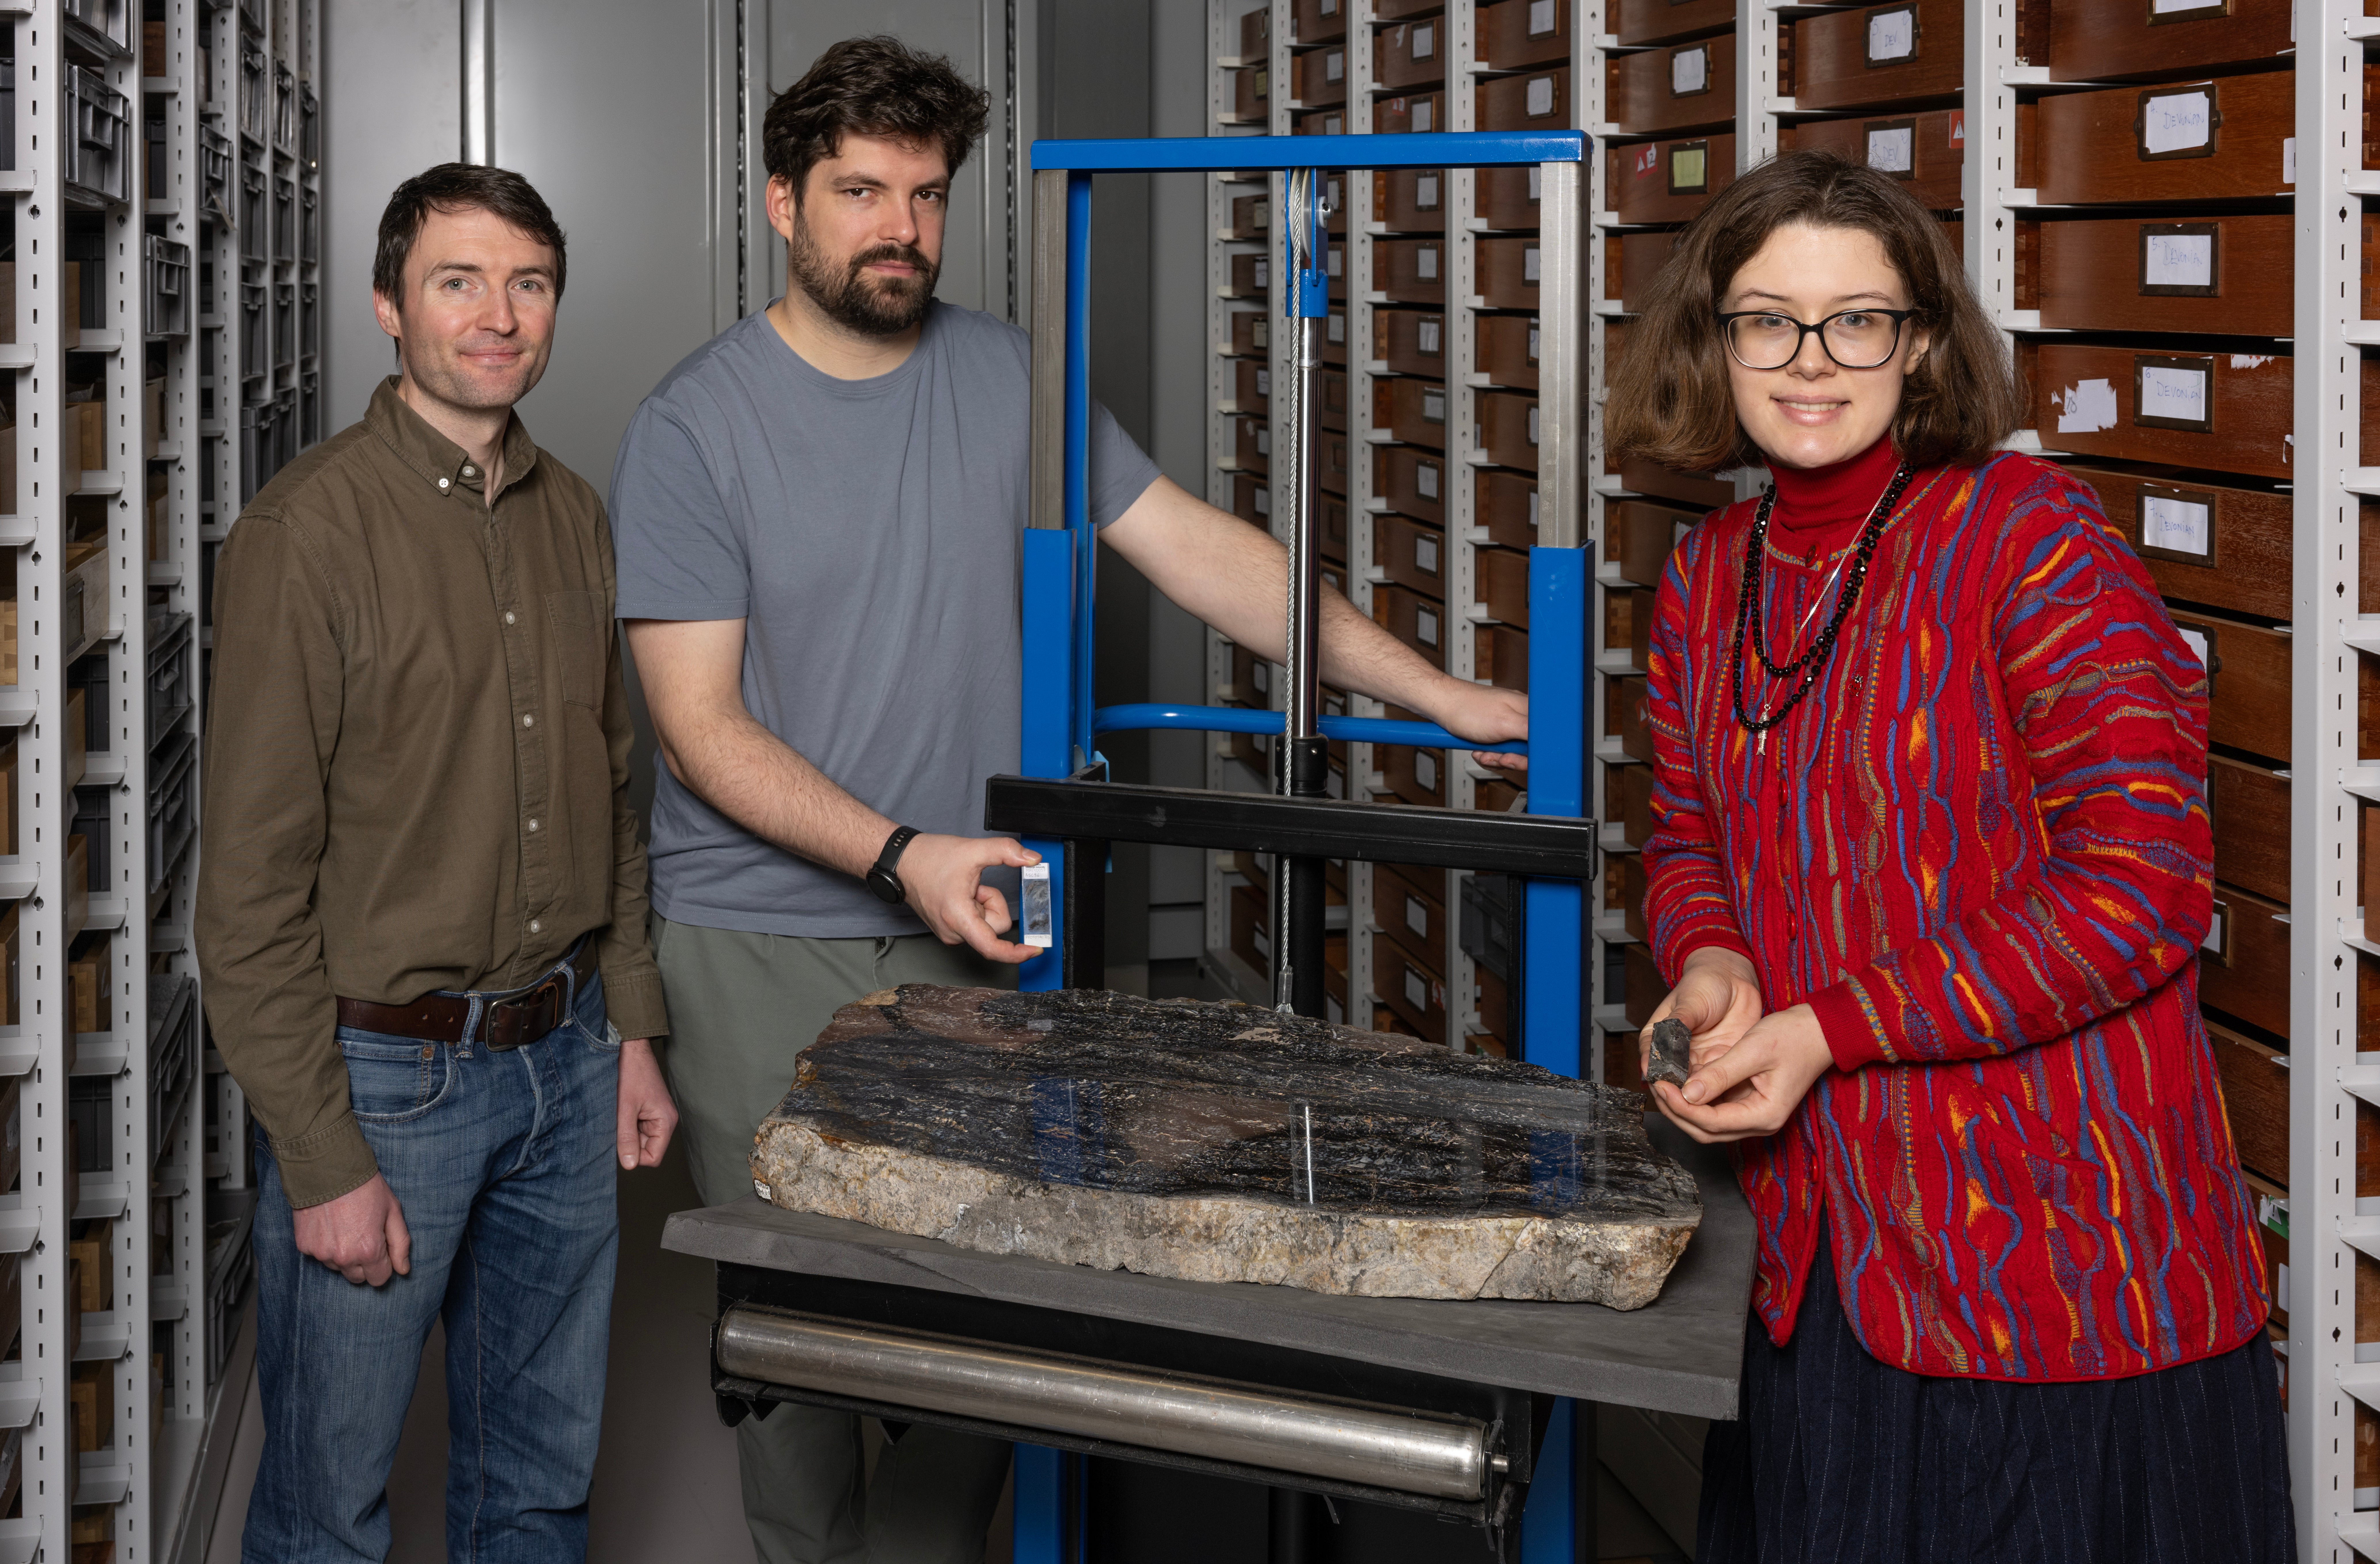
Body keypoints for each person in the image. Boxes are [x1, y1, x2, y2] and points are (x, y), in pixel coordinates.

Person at [608, 33, 1527, 1564]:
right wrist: (897, 853)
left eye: (924, 191)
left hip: (978, 924)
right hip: (761, 933)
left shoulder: (1010, 376)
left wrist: (1430, 695)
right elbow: (701, 733)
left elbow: (1204, 553)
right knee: (807, 1338)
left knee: (985, 1323)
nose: (897, 224)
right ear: (781, 203)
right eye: (858, 191)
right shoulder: (692, 427)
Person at [1605, 149, 2289, 1563]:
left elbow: (2145, 883)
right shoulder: (1709, 574)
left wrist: (1825, 1028)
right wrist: (1716, 963)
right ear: (1714, 338)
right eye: (1767, 319)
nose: (1812, 360)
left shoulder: (2024, 540)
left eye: (1858, 320)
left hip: (2053, 1266)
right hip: (1825, 1263)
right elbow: (1689, 834)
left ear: (1918, 347)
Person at [196, 164, 678, 1563]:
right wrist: (323, 1155)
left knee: (537, 1483)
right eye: (458, 282)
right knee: (326, 1510)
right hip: (385, 1087)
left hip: (568, 1055)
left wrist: (634, 1031)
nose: (497, 316)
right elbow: (246, 901)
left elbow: (614, 791)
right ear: (387, 308)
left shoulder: (575, 511)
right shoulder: (307, 536)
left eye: (528, 284)